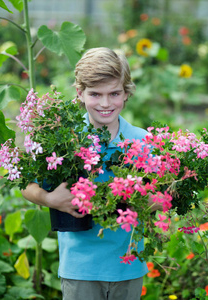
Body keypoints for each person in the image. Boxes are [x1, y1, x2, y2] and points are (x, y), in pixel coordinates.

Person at [22, 47, 161, 300]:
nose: (106, 103)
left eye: (114, 93)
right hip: (79, 268)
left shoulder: (142, 140)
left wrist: (147, 201)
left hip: (128, 267)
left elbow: (161, 190)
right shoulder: (63, 140)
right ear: (80, 93)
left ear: (126, 93)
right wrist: (49, 199)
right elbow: (26, 184)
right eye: (95, 94)